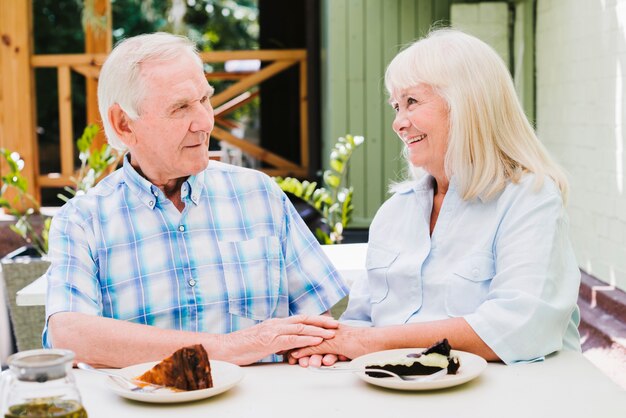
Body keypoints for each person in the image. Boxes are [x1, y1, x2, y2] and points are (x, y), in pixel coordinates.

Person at [44, 32, 348, 368]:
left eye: (205, 100)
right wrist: (229, 347)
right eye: (181, 107)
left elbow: (318, 327)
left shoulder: (260, 194)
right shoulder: (82, 220)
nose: (205, 122)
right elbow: (70, 334)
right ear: (124, 124)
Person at [290, 28, 581, 367]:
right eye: (396, 106)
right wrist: (332, 347)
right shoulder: (394, 213)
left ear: (467, 103)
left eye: (411, 102)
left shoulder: (530, 198)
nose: (398, 123)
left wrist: (367, 343)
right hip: (398, 392)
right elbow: (360, 319)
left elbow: (517, 327)